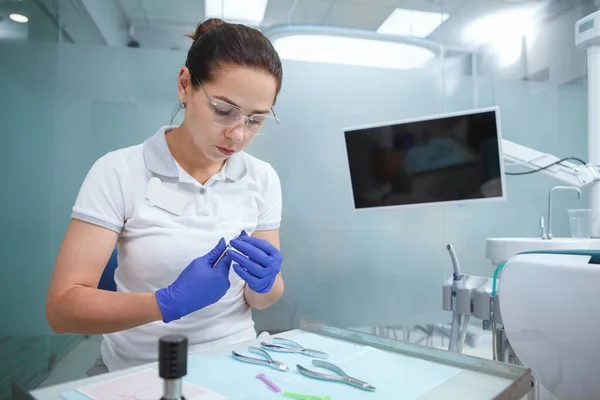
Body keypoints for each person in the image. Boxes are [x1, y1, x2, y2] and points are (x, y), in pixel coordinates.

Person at [45, 18, 285, 373]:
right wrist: (166, 303)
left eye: (256, 120)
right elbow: (62, 310)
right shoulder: (118, 171)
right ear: (185, 85)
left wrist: (266, 282)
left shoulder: (262, 178)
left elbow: (261, 299)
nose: (237, 135)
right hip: (138, 372)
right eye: (223, 110)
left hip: (237, 367)